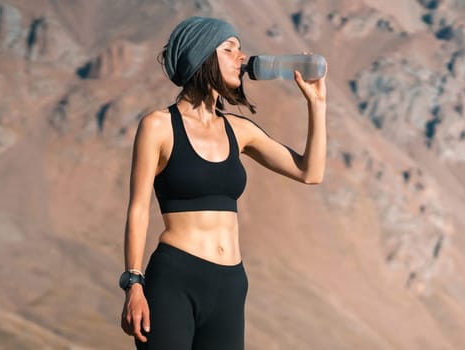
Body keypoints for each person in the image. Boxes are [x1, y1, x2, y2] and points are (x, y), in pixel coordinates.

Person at [118, 16, 327, 350]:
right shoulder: (158, 126)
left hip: (230, 285)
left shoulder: (239, 130)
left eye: (241, 50)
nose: (241, 58)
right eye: (229, 49)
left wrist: (317, 105)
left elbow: (310, 172)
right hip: (174, 280)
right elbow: (138, 209)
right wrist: (133, 283)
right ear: (202, 57)